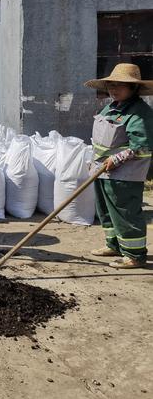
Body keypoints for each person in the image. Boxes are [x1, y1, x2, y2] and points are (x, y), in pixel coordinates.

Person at [84, 63, 153, 269]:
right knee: (106, 212)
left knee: (125, 213)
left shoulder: (140, 112)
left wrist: (117, 159)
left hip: (125, 174)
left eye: (120, 85)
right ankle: (113, 244)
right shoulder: (111, 107)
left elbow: (142, 147)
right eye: (111, 85)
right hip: (102, 170)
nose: (113, 89)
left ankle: (134, 254)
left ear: (134, 88)